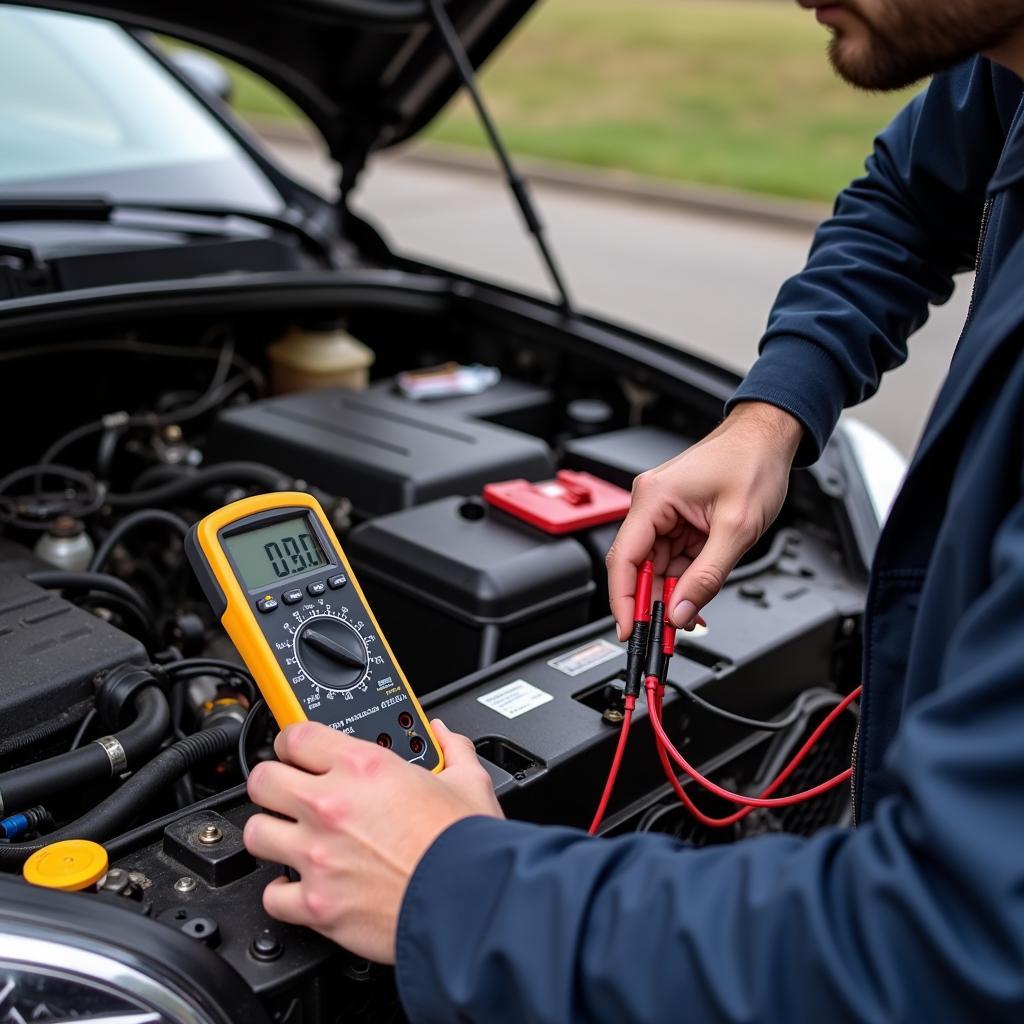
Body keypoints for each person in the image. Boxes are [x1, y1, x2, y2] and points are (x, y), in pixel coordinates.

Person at [241, 1, 1024, 1019]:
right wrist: (772, 413)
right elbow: (906, 202)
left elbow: (943, 947)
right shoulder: (1003, 68)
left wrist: (449, 883)